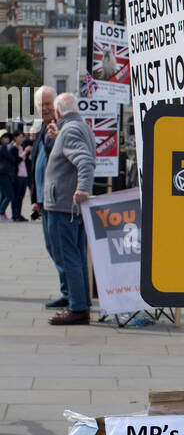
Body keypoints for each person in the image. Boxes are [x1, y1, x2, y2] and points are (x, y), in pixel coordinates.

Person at [42, 91, 96, 325]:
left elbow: (84, 160)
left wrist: (82, 188)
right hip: (69, 205)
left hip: (64, 205)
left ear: (57, 112)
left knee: (68, 256)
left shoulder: (71, 129)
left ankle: (78, 308)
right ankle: (80, 302)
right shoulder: (79, 127)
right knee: (77, 256)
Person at [31, 86, 69, 307]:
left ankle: (70, 294)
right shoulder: (41, 130)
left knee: (60, 248)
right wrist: (35, 198)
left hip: (58, 199)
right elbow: (36, 164)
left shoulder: (60, 128)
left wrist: (58, 139)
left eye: (48, 103)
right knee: (51, 246)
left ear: (55, 105)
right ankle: (68, 291)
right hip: (44, 199)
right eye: (41, 104)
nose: (44, 108)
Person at [0, 132, 14, 220]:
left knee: (3, 194)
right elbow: (11, 158)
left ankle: (2, 212)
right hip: (3, 173)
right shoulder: (3, 148)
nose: (7, 139)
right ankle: (1, 212)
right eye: (5, 137)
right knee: (9, 195)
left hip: (2, 173)